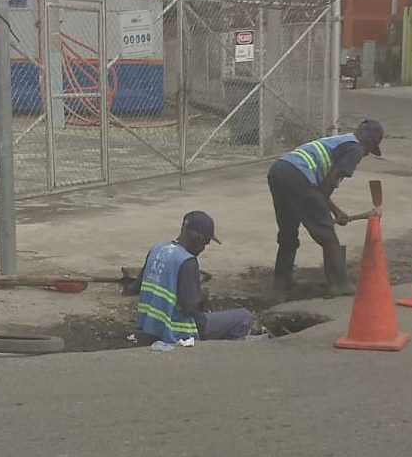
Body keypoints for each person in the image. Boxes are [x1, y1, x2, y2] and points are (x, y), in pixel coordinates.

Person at [267, 119, 384, 297]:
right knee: (327, 235)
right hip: (299, 176)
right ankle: (339, 284)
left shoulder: (340, 140)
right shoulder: (356, 148)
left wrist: (335, 211)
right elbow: (330, 180)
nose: (365, 155)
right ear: (368, 140)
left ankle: (282, 279)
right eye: (370, 150)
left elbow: (318, 189)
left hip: (280, 171)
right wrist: (325, 215)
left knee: (288, 229)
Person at [134, 211, 252, 344]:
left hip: (150, 328)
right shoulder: (187, 261)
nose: (204, 248)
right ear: (196, 237)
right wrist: (202, 295)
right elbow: (189, 307)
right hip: (177, 330)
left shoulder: (157, 249)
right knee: (244, 317)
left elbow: (135, 288)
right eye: (205, 242)